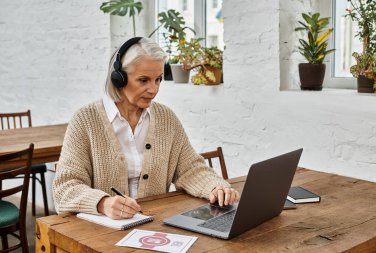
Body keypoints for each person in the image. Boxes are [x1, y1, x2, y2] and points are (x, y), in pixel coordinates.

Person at [53, 37, 240, 220]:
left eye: (158, 79)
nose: (154, 89)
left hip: (155, 225)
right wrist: (103, 203)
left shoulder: (166, 118)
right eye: (143, 80)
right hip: (100, 232)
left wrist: (215, 187)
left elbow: (190, 168)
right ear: (119, 78)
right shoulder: (85, 120)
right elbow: (65, 187)